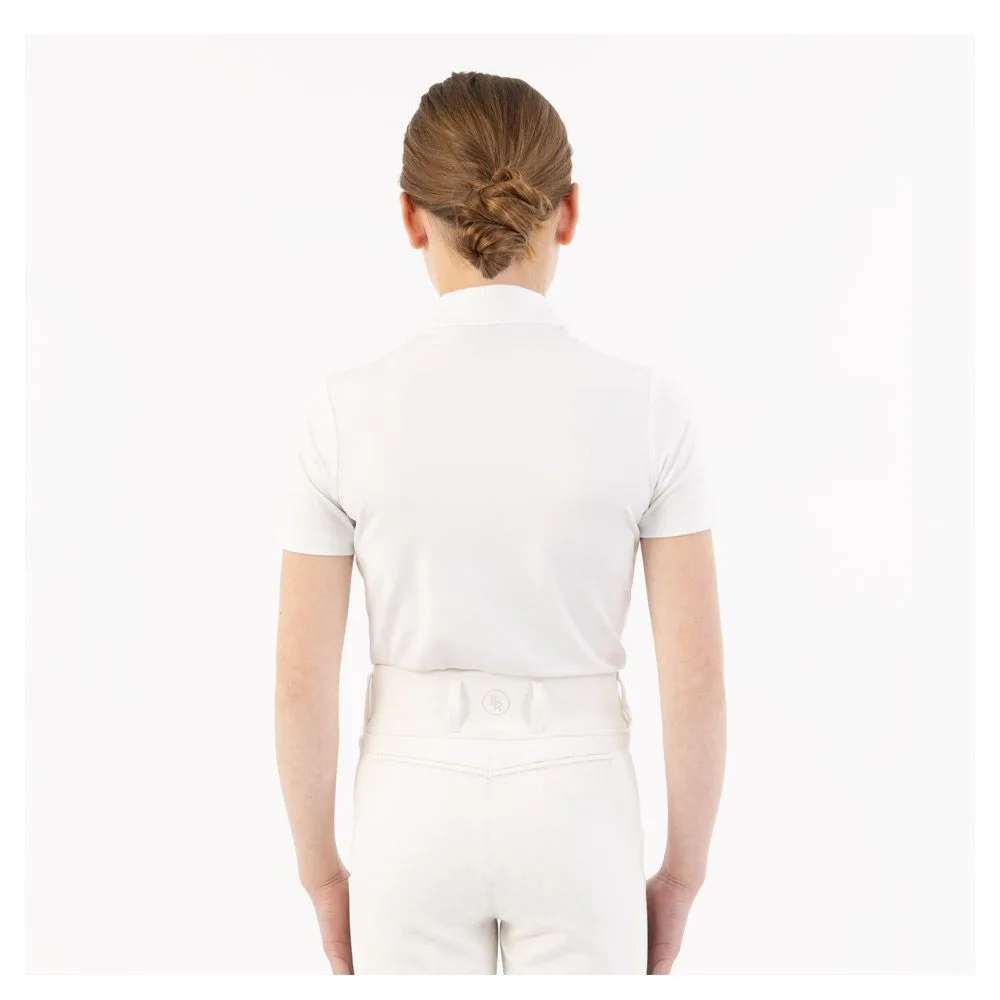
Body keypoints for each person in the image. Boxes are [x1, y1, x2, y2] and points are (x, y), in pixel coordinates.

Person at [274, 70, 726, 975]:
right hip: (580, 807)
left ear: (411, 218)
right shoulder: (649, 411)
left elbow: (300, 684)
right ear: (569, 212)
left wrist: (322, 873)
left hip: (408, 806)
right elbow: (697, 680)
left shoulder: (339, 414)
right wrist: (681, 873)